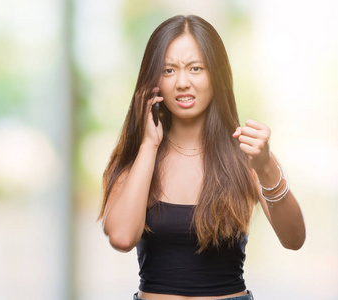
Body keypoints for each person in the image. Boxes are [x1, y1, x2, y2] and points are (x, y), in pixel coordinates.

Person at [98, 15, 306, 300]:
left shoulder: (247, 156)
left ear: (215, 75)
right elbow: (122, 238)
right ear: (153, 80)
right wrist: (149, 144)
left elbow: (294, 239)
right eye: (169, 70)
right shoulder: (137, 159)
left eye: (196, 68)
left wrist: (267, 168)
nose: (183, 82)